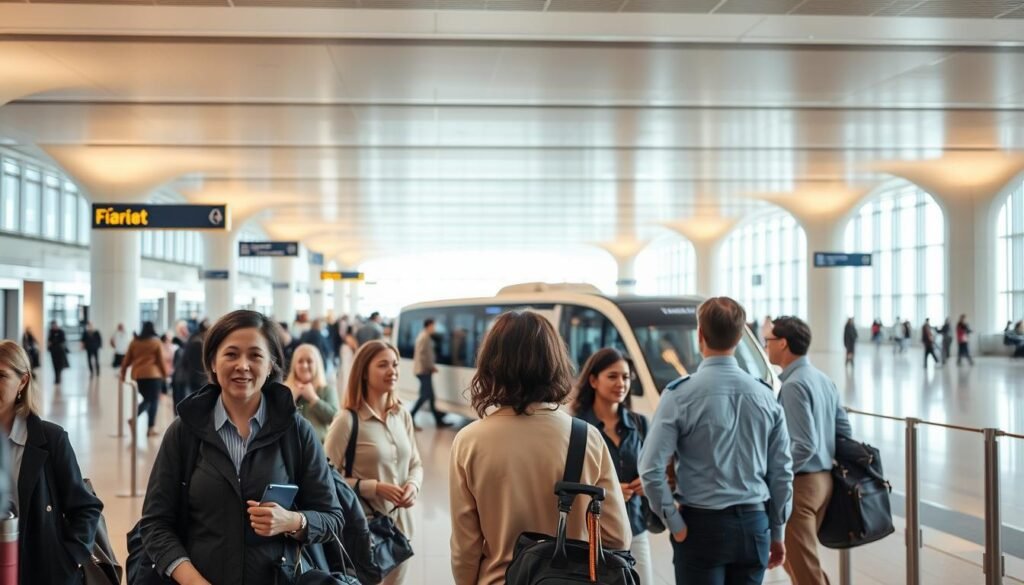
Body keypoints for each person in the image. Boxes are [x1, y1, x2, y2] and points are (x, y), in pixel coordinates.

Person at [139, 310, 345, 585]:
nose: (243, 366)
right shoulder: (185, 432)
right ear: (213, 361)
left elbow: (332, 517)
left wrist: (293, 521)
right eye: (231, 354)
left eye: (255, 356)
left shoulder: (295, 430)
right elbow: (155, 524)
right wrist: (193, 581)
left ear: (271, 364)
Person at [448, 311, 630, 585]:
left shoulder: (469, 441)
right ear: (555, 363)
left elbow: (466, 548)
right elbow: (617, 536)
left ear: (491, 366)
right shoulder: (587, 436)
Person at [639, 296, 793, 585]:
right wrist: (777, 531)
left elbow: (650, 468)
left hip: (701, 527)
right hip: (754, 524)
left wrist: (674, 522)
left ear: (700, 334)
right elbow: (782, 472)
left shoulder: (679, 395)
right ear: (739, 336)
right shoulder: (765, 396)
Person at [0, 340, 104, 584]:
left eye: (1, 375)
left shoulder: (51, 439)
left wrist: (68, 559)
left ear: (23, 381)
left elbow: (85, 507)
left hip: (40, 570)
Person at [324, 340, 423, 585]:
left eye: (395, 364)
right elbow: (325, 480)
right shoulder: (347, 421)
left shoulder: (402, 415)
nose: (392, 371)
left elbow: (416, 464)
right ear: (364, 373)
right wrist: (375, 487)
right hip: (363, 532)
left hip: (400, 531)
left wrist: (412, 486)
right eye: (383, 365)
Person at [765, 317, 853, 585]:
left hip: (801, 485)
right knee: (800, 565)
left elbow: (803, 445)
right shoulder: (823, 379)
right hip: (824, 481)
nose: (765, 346)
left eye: (768, 341)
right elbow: (844, 432)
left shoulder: (794, 385)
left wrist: (777, 473)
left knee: (804, 571)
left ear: (783, 343)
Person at [571, 348, 652, 585]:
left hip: (634, 527)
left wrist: (647, 484)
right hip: (591, 533)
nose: (621, 383)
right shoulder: (578, 427)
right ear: (593, 380)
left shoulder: (639, 424)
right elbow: (570, 480)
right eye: (613, 376)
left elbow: (650, 470)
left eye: (626, 377)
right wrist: (611, 491)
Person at [119, 321, 168, 437]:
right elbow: (161, 361)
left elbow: (126, 361)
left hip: (139, 376)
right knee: (153, 400)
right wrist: (165, 375)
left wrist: (123, 374)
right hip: (154, 375)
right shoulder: (156, 342)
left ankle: (134, 419)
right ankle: (150, 427)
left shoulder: (134, 342)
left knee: (147, 399)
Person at [284, 343, 339, 443]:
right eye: (300, 361)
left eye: (309, 361)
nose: (305, 365)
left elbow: (337, 420)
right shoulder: (284, 390)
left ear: (317, 365)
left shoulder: (327, 390)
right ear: (294, 365)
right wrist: (291, 399)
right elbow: (274, 420)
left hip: (319, 450)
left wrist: (314, 399)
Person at [410, 318, 450, 429]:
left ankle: (438, 420)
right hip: (423, 370)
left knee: (431, 396)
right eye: (434, 326)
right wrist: (430, 367)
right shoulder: (424, 337)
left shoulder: (424, 336)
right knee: (424, 396)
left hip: (424, 370)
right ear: (429, 325)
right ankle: (410, 416)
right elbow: (423, 356)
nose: (435, 328)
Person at [46, 320, 70, 386]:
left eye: (54, 325)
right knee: (54, 364)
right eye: (52, 325)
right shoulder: (51, 332)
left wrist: (55, 342)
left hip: (60, 351)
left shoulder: (61, 332)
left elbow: (63, 340)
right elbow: (49, 340)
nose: (53, 326)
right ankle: (56, 377)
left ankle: (58, 377)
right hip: (53, 351)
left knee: (60, 364)